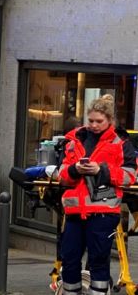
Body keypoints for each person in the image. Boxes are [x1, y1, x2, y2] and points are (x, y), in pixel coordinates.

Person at [56, 95, 136, 295]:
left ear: (110, 121)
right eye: (90, 120)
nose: (93, 125)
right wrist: (75, 169)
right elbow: (62, 174)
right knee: (69, 260)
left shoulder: (121, 143)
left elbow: (129, 176)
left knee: (99, 262)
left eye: (99, 121)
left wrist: (100, 170)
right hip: (75, 212)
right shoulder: (75, 139)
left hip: (103, 212)